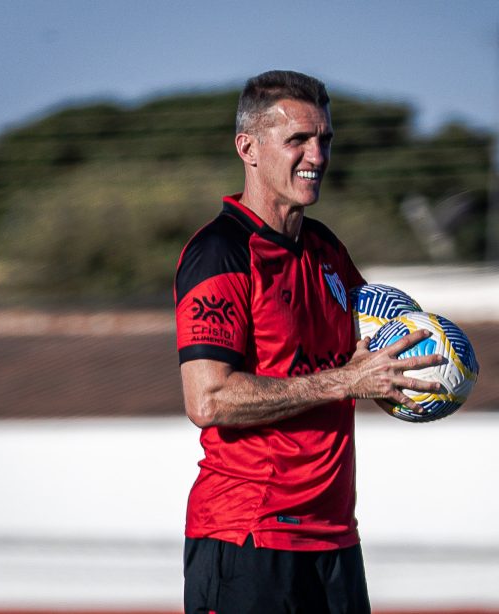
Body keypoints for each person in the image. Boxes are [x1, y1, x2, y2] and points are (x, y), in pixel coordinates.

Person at [174, 70, 442, 614]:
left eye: (324, 139)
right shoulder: (220, 252)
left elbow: (371, 356)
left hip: (335, 538)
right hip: (248, 535)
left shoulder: (326, 249)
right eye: (297, 139)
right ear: (247, 148)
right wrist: (346, 382)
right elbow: (209, 400)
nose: (316, 155)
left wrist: (417, 375)